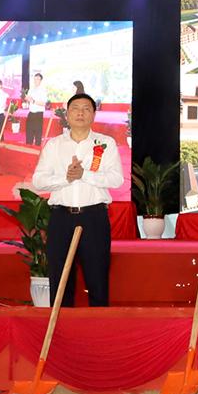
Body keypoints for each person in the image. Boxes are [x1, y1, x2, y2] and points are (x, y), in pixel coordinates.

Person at [31, 93, 123, 307]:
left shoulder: (106, 143)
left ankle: (99, 324)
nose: (81, 113)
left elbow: (116, 179)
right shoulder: (54, 145)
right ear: (67, 114)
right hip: (61, 218)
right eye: (75, 108)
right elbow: (38, 180)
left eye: (86, 108)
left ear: (93, 115)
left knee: (97, 277)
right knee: (60, 279)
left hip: (94, 217)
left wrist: (84, 175)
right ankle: (61, 324)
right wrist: (67, 178)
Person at [25, 73, 47, 146]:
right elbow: (29, 100)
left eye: (37, 79)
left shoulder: (43, 90)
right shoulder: (31, 89)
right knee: (29, 132)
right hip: (31, 113)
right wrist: (27, 99)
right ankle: (28, 147)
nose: (35, 80)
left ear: (41, 80)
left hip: (38, 114)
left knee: (38, 134)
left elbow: (43, 103)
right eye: (35, 79)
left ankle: (37, 149)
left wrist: (33, 101)